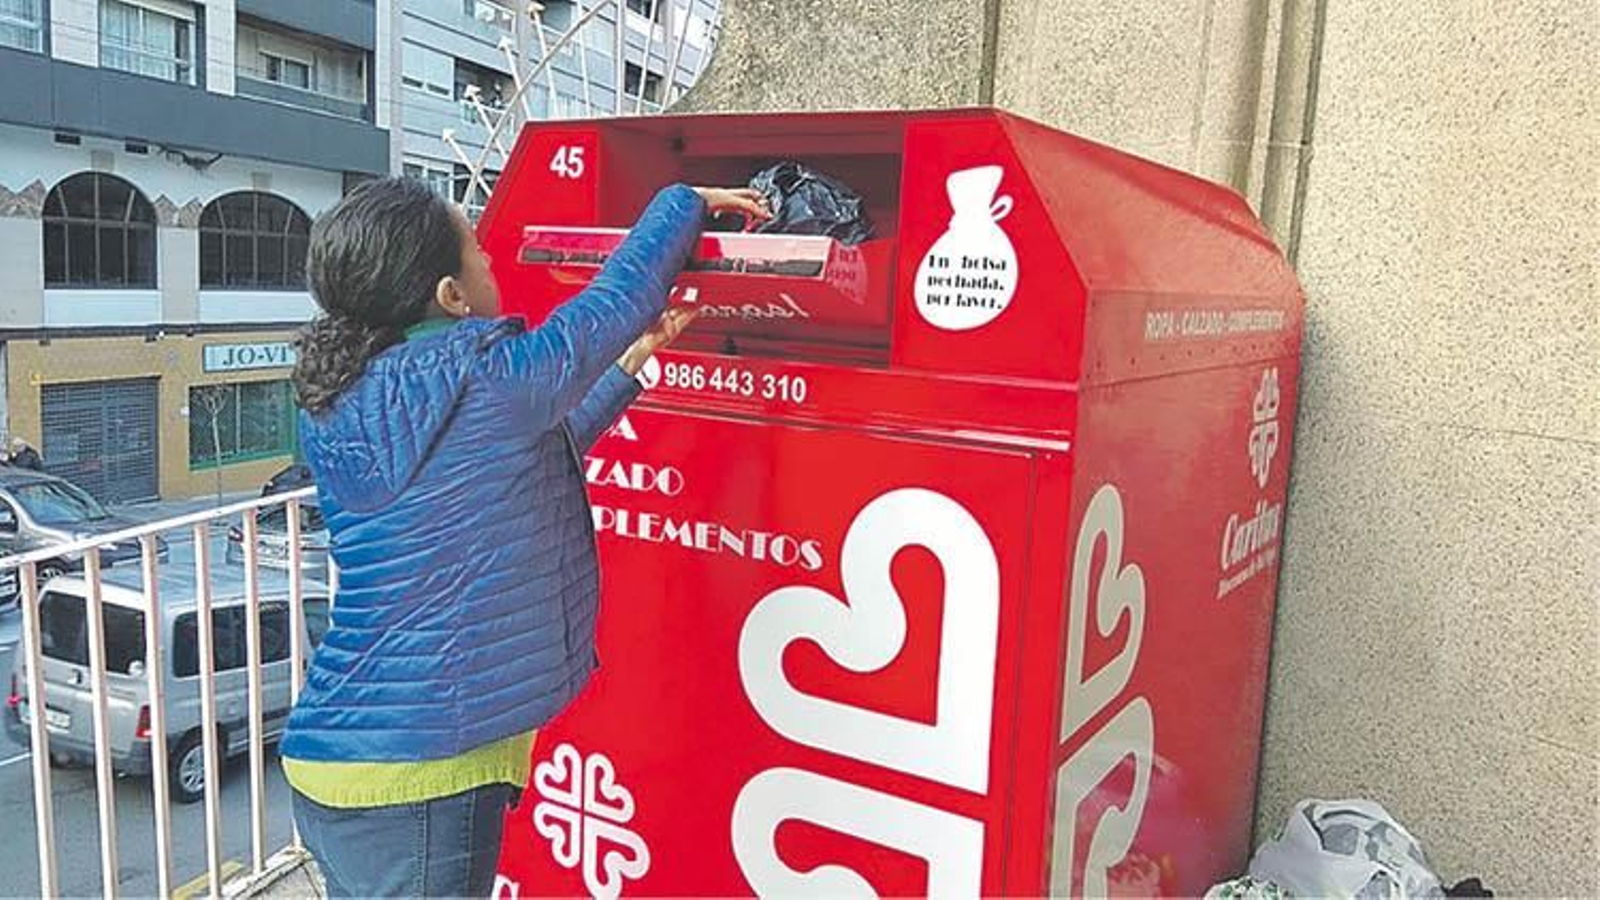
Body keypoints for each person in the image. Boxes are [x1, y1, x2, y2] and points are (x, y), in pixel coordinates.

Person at [281, 177, 767, 897]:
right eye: (477, 250)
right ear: (450, 296)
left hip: (329, 758)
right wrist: (680, 199)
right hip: (421, 777)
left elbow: (528, 448)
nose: (491, 262)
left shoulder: (339, 404)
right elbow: (617, 300)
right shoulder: (490, 379)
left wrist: (631, 365)